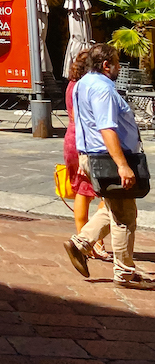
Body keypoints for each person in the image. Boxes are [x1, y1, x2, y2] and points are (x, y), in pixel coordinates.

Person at [64, 42, 152, 288]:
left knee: (113, 207)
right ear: (106, 65)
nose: (118, 68)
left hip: (94, 156)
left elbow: (81, 122)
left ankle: (81, 243)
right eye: (116, 62)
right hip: (110, 158)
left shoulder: (81, 85)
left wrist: (85, 156)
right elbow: (106, 127)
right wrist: (122, 165)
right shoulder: (103, 88)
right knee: (124, 217)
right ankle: (124, 273)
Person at [63, 52, 112, 261]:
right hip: (87, 141)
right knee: (106, 191)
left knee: (83, 191)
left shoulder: (72, 85)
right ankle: (91, 241)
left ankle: (85, 239)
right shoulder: (88, 86)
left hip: (72, 138)